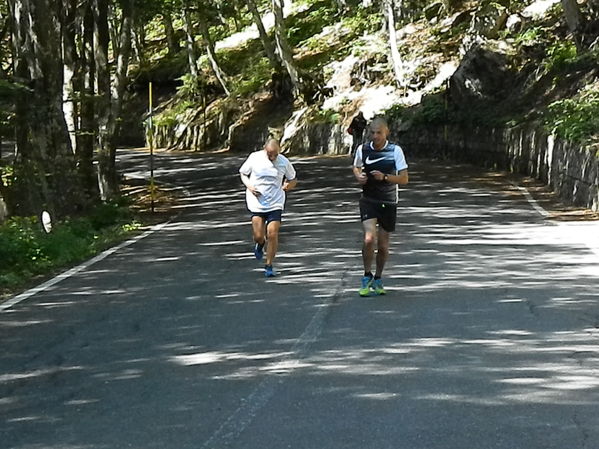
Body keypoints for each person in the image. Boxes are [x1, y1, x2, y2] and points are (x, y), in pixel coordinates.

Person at [352, 117, 409, 296]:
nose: (375, 136)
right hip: (369, 199)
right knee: (369, 239)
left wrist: (385, 177)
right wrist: (359, 176)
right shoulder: (363, 149)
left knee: (383, 246)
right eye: (372, 133)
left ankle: (378, 278)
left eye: (379, 133)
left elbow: (404, 179)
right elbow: (356, 167)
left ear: (387, 133)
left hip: (389, 200)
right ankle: (366, 275)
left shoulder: (395, 151)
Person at [239, 138, 297, 277]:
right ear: (265, 149)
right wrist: (250, 186)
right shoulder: (255, 158)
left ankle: (269, 265)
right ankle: (260, 244)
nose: (273, 157)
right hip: (257, 203)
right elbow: (243, 173)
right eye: (270, 154)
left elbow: (293, 178)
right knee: (259, 236)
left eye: (275, 154)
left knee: (272, 233)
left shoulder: (283, 161)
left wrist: (288, 186)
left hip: (275, 202)